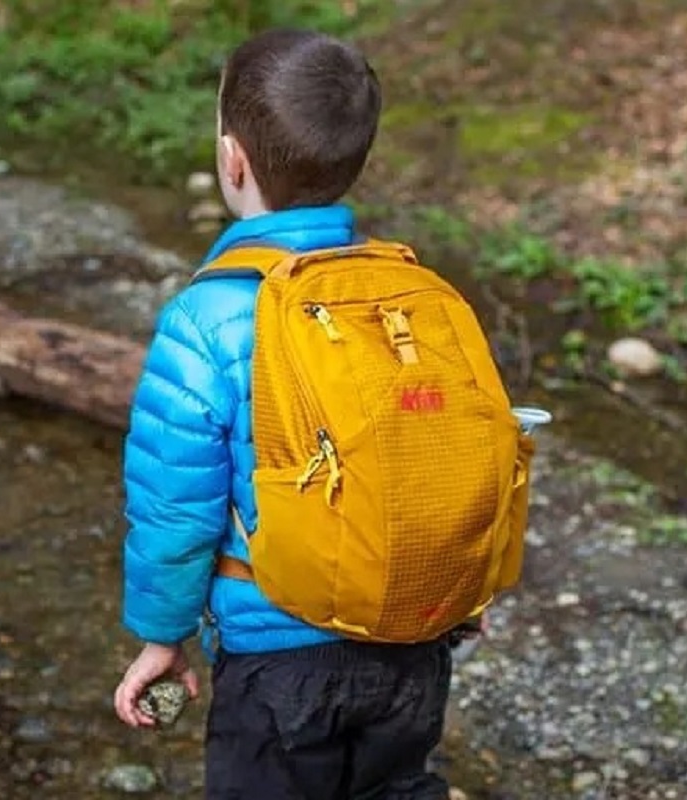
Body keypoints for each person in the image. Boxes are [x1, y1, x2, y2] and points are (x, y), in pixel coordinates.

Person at [114, 28, 454, 800]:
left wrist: (161, 638)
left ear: (232, 159)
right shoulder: (407, 294)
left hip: (280, 659)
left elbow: (175, 507)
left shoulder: (208, 317)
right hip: (413, 639)